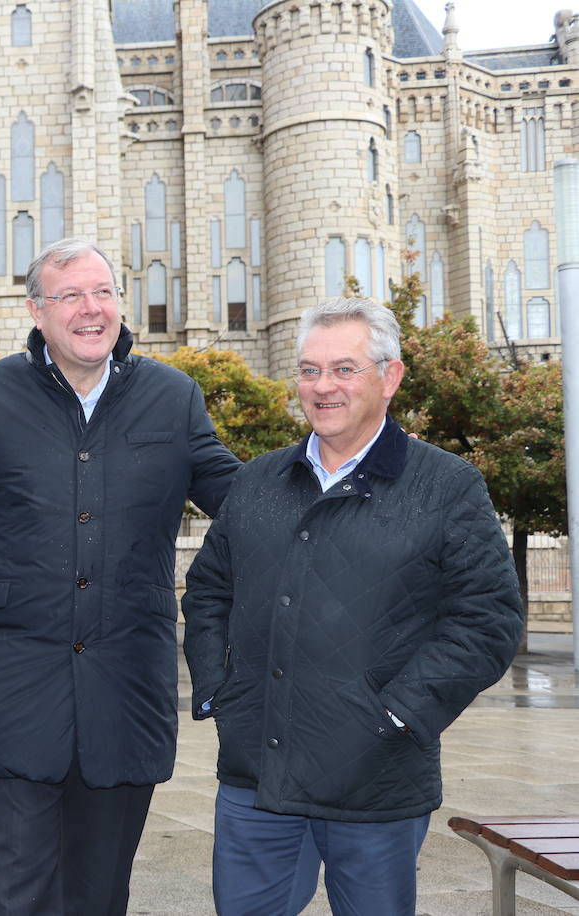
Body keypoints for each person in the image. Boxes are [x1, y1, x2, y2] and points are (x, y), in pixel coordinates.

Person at [0, 237, 242, 915]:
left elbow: (243, 505)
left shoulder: (172, 397)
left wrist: (330, 476)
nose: (91, 310)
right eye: (71, 296)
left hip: (126, 682)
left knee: (100, 891)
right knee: (15, 889)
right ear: (38, 311)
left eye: (103, 293)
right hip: (12, 678)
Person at [181, 297, 523, 916]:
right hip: (255, 772)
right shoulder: (257, 483)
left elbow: (487, 620)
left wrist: (395, 716)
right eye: (310, 370)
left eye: (344, 369)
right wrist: (219, 691)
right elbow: (208, 590)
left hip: (376, 779)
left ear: (389, 378)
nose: (322, 387)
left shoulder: (447, 485)